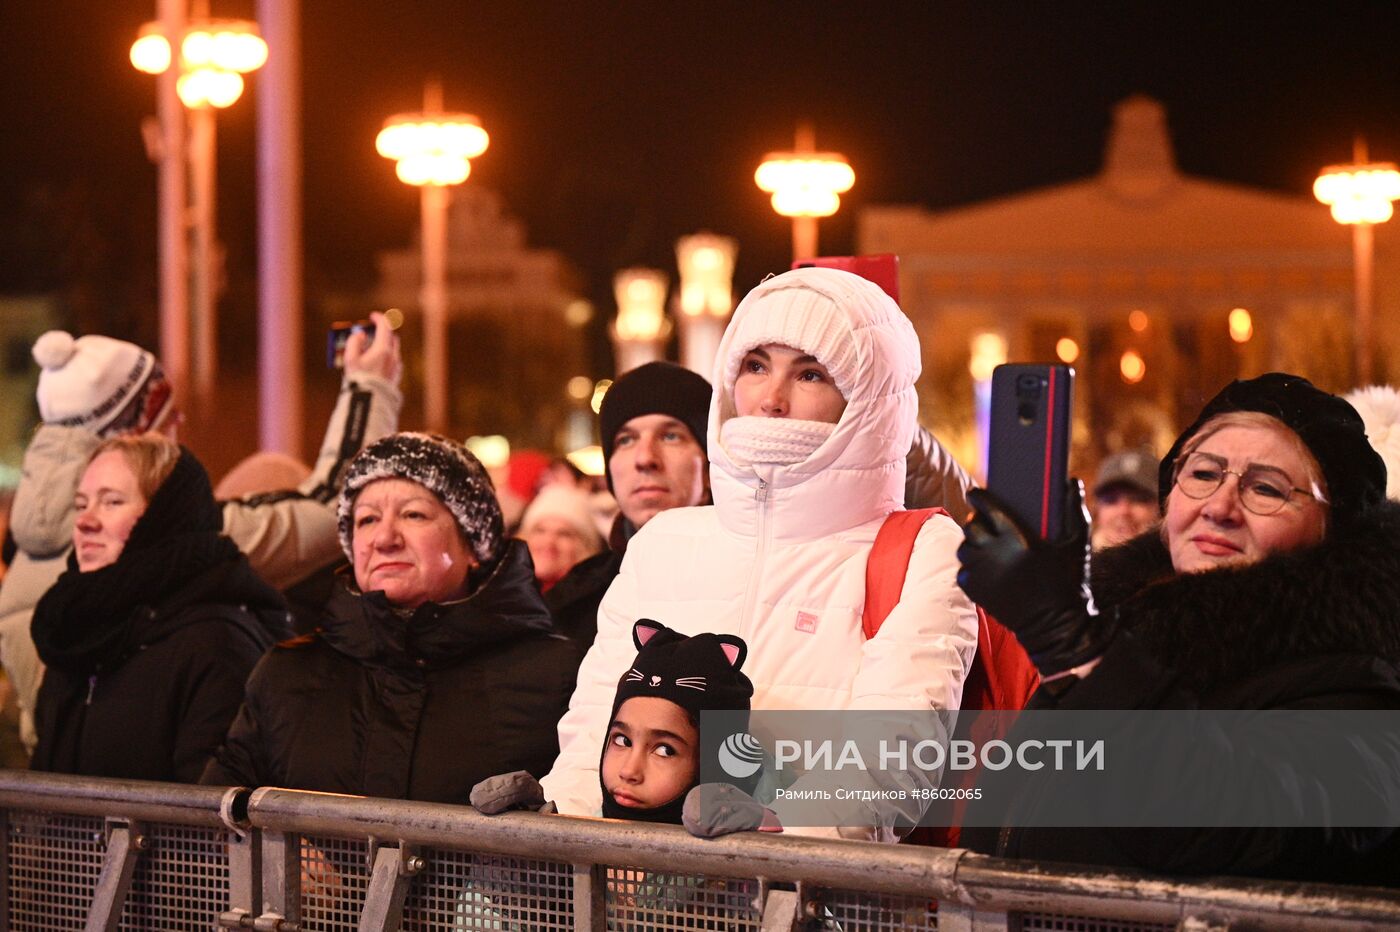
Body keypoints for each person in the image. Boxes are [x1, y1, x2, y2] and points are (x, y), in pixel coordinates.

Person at [542, 266, 979, 840]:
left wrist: (769, 844)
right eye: (755, 366)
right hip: (631, 896)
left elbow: (891, 754)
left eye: (811, 374)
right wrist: (553, 832)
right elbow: (596, 725)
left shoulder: (922, 549)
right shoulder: (664, 542)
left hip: (808, 902)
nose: (771, 400)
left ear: (867, 400)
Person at [956, 372, 1400, 883]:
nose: (1219, 507)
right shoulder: (1126, 634)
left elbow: (1237, 832)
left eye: (1266, 488)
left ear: (1331, 530)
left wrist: (1073, 642)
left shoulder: (1361, 687)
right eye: (1205, 473)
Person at [0, 317, 401, 753]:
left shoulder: (33, 530)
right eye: (169, 415)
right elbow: (331, 509)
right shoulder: (173, 542)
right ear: (142, 427)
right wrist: (369, 385)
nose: (181, 426)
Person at [201, 433, 577, 803]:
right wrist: (284, 850)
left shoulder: (555, 678)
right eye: (366, 520)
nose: (384, 538)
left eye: (414, 514)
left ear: (474, 543)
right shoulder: (286, 675)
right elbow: (211, 820)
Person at [28, 434, 290, 782]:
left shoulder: (215, 645)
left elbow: (207, 818)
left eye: (111, 502)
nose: (85, 522)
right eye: (81, 504)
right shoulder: (75, 631)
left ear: (164, 518)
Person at [518, 484, 605, 593]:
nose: (548, 541)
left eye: (563, 534)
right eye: (540, 530)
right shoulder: (501, 592)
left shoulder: (595, 601)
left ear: (585, 546)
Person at [1090, 446, 1159, 549]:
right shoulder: (1073, 562)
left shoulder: (1181, 563)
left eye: (1139, 499)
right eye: (1111, 500)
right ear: (1097, 510)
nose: (1123, 511)